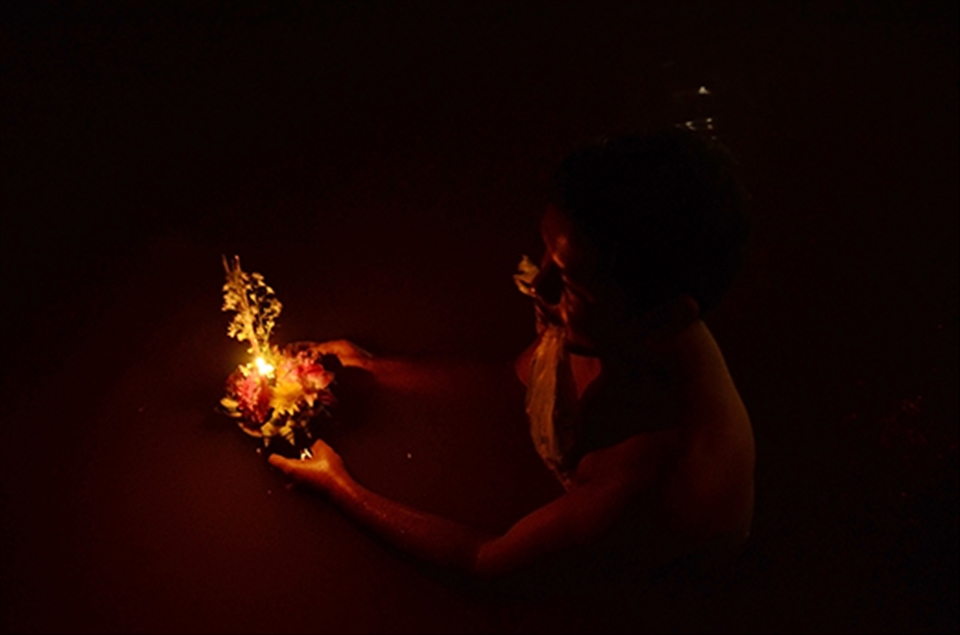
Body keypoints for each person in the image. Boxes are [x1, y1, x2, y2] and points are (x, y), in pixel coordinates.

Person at [269, 128, 754, 584]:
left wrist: (339, 486)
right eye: (545, 253)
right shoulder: (606, 321)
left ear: (662, 317)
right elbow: (511, 382)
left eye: (567, 280)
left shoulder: (656, 477)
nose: (536, 286)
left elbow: (484, 562)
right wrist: (374, 367)